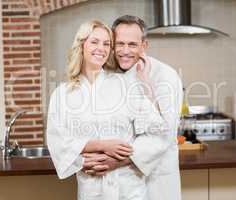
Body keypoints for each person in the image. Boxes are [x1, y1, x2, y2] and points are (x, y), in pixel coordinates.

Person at [46, 20, 169, 200]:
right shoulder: (62, 94)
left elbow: (158, 132)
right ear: (82, 45)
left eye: (106, 44)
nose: (101, 48)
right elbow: (58, 141)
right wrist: (97, 149)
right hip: (92, 189)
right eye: (94, 41)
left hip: (129, 189)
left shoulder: (126, 86)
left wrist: (118, 161)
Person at [83, 15, 183, 200]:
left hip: (156, 176)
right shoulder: (110, 73)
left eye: (132, 44)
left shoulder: (165, 76)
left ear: (144, 46)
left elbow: (165, 133)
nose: (125, 51)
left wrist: (117, 161)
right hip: (122, 182)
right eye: (120, 44)